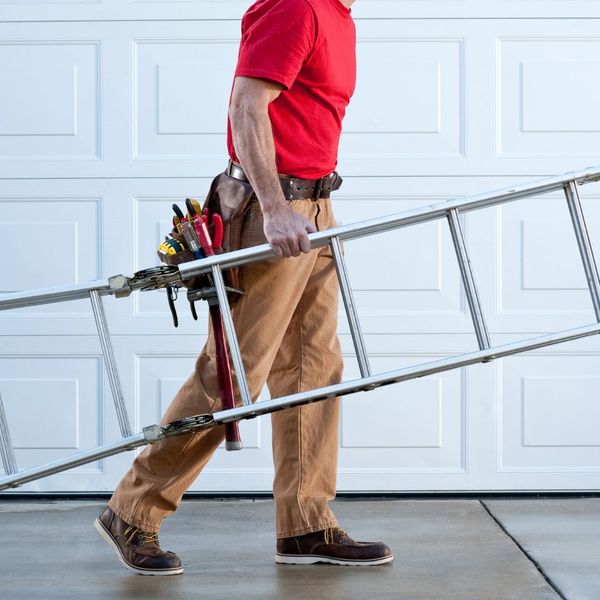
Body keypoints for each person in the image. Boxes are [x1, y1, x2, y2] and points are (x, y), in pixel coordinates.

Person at [95, 0, 393, 575]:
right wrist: (277, 207)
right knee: (234, 372)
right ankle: (132, 510)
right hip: (271, 208)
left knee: (312, 367)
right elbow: (246, 105)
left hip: (316, 207)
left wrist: (305, 207)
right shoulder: (297, 6)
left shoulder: (339, 15)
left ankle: (305, 522)